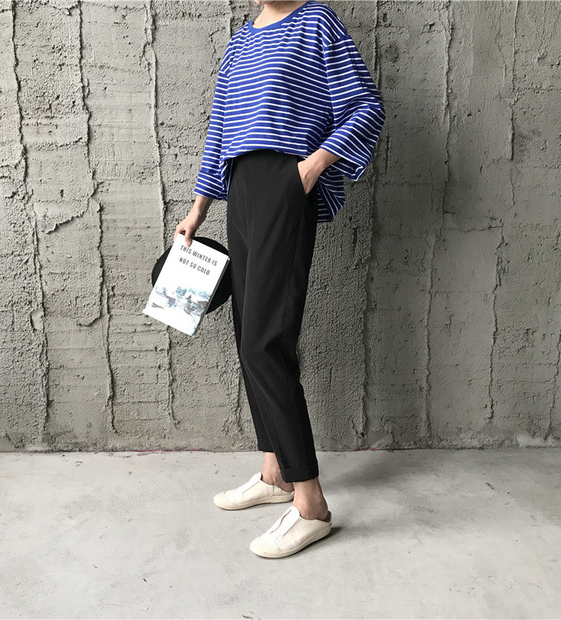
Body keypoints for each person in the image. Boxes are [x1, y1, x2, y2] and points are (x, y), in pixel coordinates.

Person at [173, 0, 386, 558]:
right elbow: (220, 129)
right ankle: (275, 472)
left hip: (285, 181)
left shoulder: (316, 22)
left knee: (266, 342)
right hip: (241, 189)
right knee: (249, 335)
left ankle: (311, 504)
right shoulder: (241, 40)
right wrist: (198, 209)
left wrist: (311, 167)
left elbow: (366, 106)